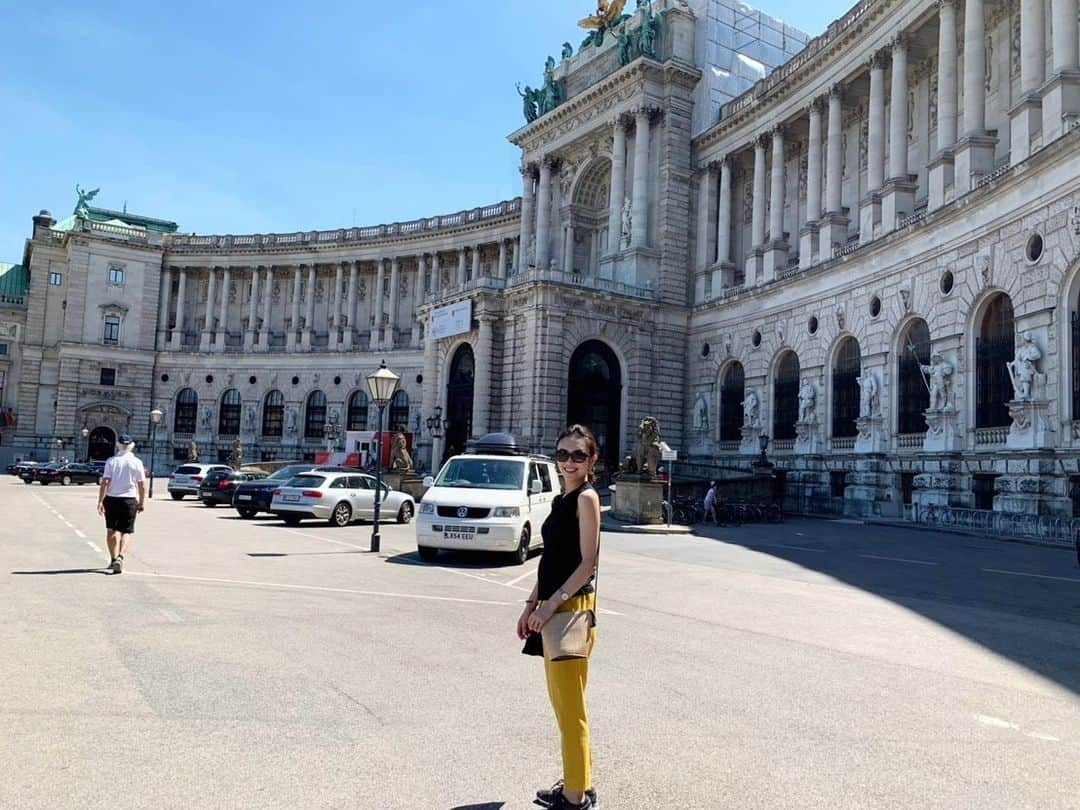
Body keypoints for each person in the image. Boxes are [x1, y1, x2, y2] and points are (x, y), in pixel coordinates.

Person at [518, 425, 602, 810]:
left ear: (591, 460)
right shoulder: (560, 500)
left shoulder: (586, 499)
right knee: (564, 706)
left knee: (571, 711)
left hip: (571, 612)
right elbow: (549, 561)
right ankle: (579, 782)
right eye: (563, 454)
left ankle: (575, 797)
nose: (569, 462)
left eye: (578, 456)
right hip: (552, 610)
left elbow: (588, 564)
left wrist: (551, 605)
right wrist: (531, 603)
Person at [96, 433, 146, 574]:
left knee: (111, 530)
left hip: (112, 499)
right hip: (129, 499)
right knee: (126, 531)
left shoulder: (111, 461)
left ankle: (113, 559)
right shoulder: (137, 462)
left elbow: (105, 481)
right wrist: (141, 502)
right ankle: (121, 557)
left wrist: (100, 501)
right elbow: (142, 485)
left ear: (118, 445)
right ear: (131, 446)